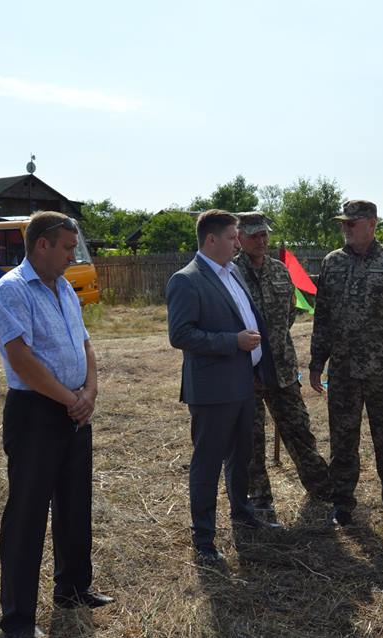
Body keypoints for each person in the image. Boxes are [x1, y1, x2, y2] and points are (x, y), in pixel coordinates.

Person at [0, 211, 113, 638]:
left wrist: (89, 393)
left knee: (75, 505)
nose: (71, 256)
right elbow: (21, 359)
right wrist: (71, 399)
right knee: (28, 514)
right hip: (35, 414)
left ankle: (73, 589)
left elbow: (86, 344)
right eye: (66, 247)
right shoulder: (11, 291)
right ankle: (18, 619)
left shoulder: (65, 289)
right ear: (42, 244)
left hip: (75, 410)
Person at [166, 209, 281, 563]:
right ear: (211, 240)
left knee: (240, 456)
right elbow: (181, 335)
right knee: (208, 463)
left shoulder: (232, 273)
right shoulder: (186, 280)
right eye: (233, 237)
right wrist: (233, 341)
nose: (238, 243)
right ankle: (203, 538)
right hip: (213, 390)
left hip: (244, 384)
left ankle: (241, 511)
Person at [309, 199, 383, 526]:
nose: (345, 228)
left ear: (371, 224)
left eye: (351, 223)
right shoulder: (332, 263)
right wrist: (318, 361)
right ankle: (342, 502)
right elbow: (323, 316)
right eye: (343, 223)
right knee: (343, 439)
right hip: (343, 371)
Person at [233, 212, 331, 518]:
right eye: (254, 236)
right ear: (239, 238)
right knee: (250, 438)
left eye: (264, 235)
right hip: (244, 372)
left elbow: (289, 312)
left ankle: (322, 488)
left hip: (283, 368)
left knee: (299, 429)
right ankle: (259, 496)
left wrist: (274, 340)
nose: (261, 241)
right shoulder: (229, 273)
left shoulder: (279, 270)